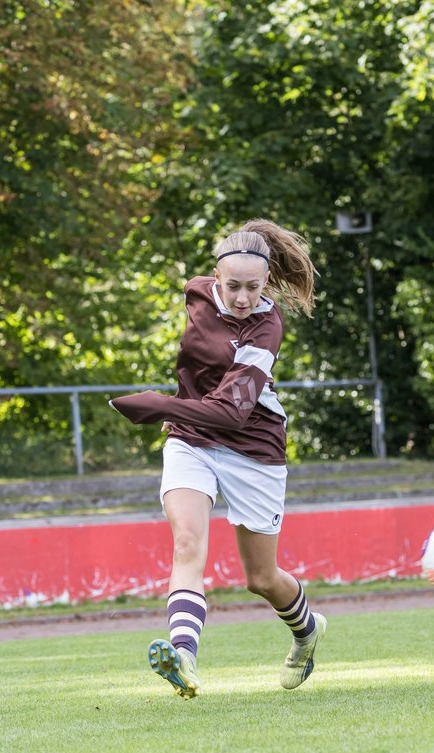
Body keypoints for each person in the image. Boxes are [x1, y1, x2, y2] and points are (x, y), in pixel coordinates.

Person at [109, 219, 326, 699]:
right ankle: (182, 656)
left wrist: (158, 404)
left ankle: (308, 631)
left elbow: (231, 411)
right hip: (190, 437)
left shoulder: (267, 327)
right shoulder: (197, 294)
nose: (243, 296)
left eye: (253, 287)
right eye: (233, 286)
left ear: (266, 282)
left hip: (252, 445)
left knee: (261, 578)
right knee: (187, 545)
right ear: (215, 278)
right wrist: (172, 411)